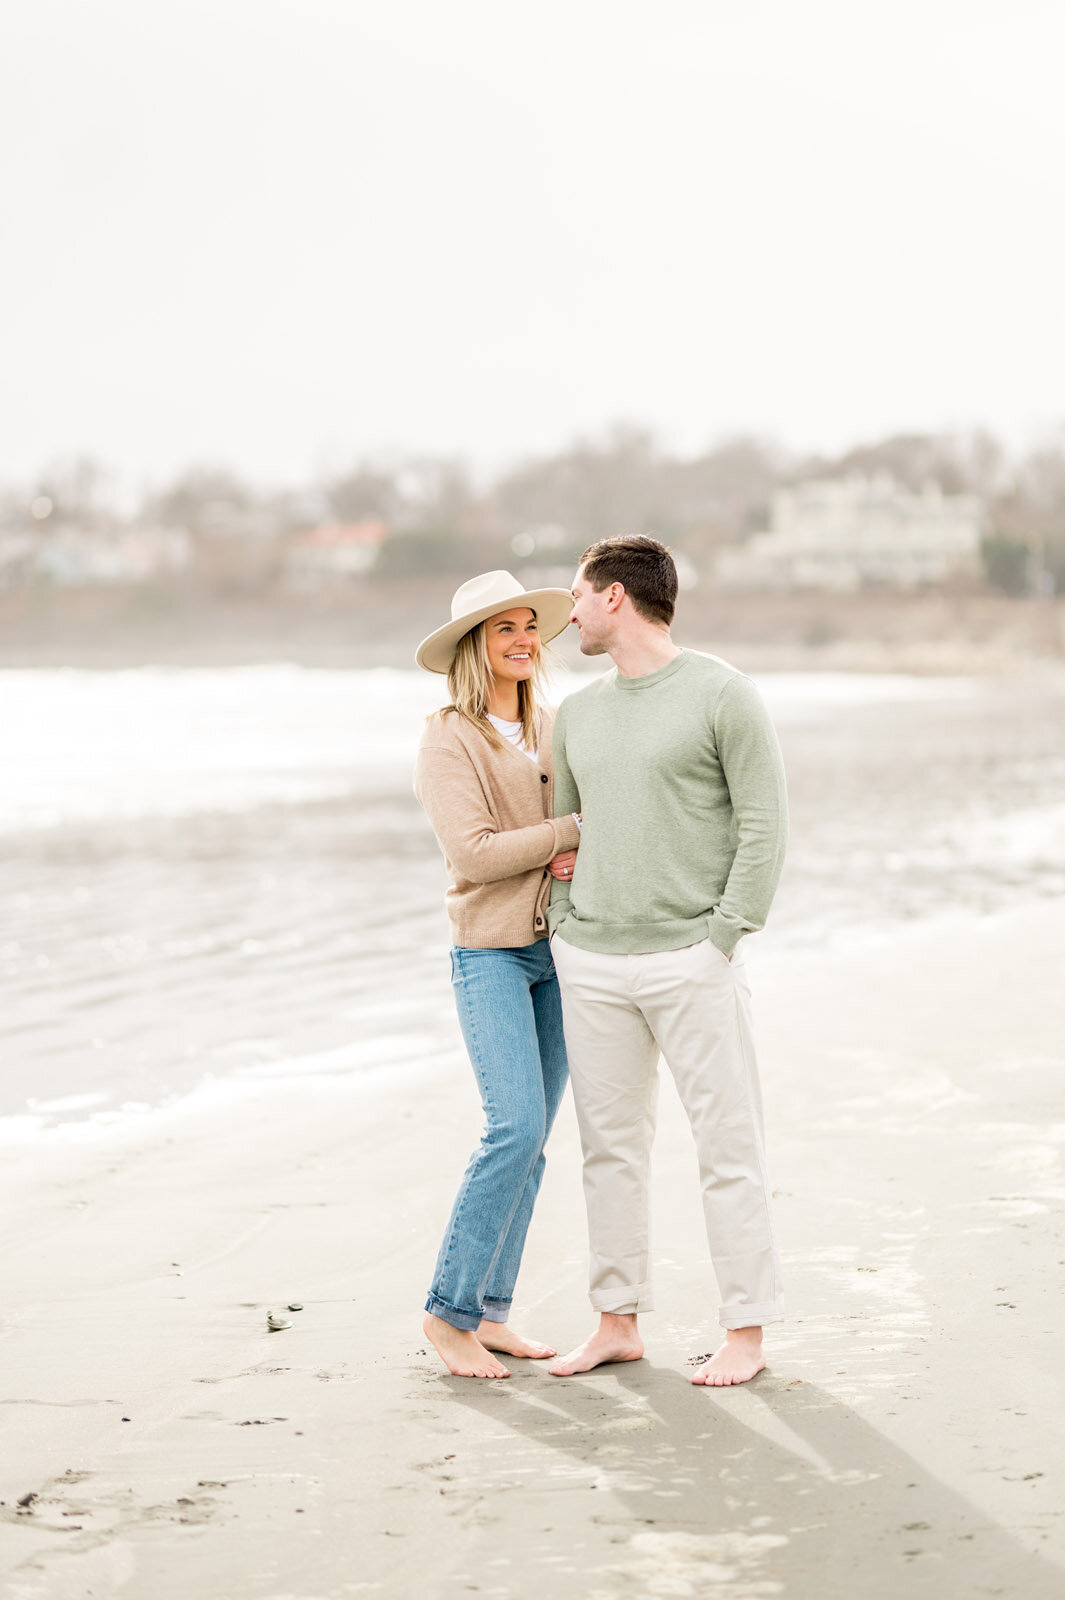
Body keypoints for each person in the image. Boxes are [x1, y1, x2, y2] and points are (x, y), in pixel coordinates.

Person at [545, 536, 788, 1387]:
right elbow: (566, 836)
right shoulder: (574, 714)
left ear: (615, 597)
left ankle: (746, 1334)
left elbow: (763, 826)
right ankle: (616, 1322)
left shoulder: (722, 693)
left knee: (728, 1149)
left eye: (575, 594)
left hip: (694, 958)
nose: (565, 612)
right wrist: (567, 927)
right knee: (607, 1152)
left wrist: (723, 936)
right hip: (593, 961)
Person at [413, 570, 582, 1380]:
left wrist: (573, 848)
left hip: (562, 953)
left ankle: (490, 1313)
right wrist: (566, 832)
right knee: (510, 1128)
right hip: (489, 952)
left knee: (535, 1143)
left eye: (527, 626)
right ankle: (446, 1315)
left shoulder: (554, 726)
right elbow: (470, 855)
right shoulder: (449, 735)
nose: (521, 640)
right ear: (473, 648)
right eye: (501, 629)